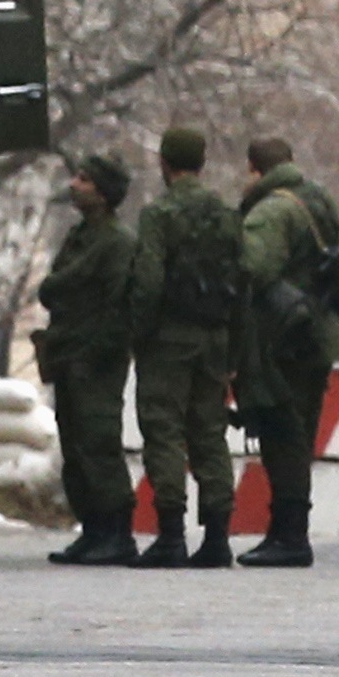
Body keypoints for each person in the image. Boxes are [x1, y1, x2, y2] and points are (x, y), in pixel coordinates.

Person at [127, 126, 243, 568]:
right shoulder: (226, 214)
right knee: (209, 432)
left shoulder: (160, 215)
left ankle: (171, 536)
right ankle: (217, 537)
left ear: (164, 162)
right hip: (215, 336)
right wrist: (234, 345)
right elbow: (242, 279)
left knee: (165, 431)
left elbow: (150, 279)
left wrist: (139, 332)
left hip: (169, 339)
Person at [232, 137, 339, 569]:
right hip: (318, 333)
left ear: (254, 169)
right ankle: (287, 531)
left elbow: (254, 268)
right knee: (299, 431)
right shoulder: (317, 199)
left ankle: (290, 535)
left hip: (285, 338)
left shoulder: (271, 211)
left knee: (284, 435)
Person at [34, 155, 141, 565]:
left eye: (84, 179)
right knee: (74, 446)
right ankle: (93, 529)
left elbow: (119, 305)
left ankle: (117, 533)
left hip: (96, 358)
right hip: (69, 351)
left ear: (102, 192)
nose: (74, 184)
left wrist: (101, 352)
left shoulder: (117, 242)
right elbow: (52, 289)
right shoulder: (81, 237)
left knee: (98, 444)